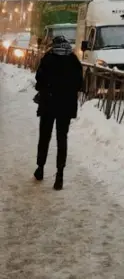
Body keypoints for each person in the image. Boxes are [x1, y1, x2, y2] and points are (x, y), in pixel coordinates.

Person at [34, 35, 84, 190]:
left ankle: (40, 168)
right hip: (66, 106)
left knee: (44, 137)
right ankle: (60, 175)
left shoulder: (48, 58)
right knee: (62, 139)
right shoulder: (74, 60)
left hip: (48, 104)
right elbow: (80, 84)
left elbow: (39, 79)